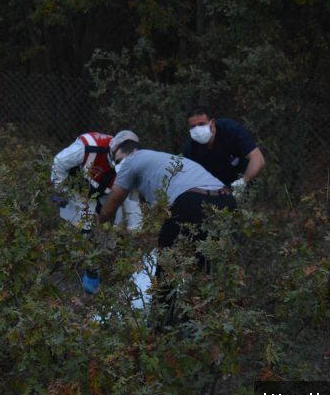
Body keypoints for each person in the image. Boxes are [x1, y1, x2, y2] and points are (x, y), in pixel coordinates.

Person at [99, 131, 237, 324]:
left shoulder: (131, 162)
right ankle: (200, 322)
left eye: (117, 160)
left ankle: (159, 325)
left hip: (193, 201)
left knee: (166, 266)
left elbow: (109, 209)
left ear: (120, 154)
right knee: (201, 263)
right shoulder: (159, 158)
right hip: (227, 201)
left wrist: (95, 227)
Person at [51, 131, 142, 293]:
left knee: (113, 228)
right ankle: (83, 269)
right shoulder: (88, 146)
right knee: (84, 229)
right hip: (76, 189)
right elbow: (59, 162)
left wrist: (135, 230)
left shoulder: (132, 168)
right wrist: (60, 190)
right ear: (114, 148)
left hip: (103, 193)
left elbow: (131, 200)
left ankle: (105, 258)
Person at [182, 106, 265, 198]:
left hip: (243, 179)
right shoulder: (190, 148)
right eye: (193, 126)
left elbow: (258, 159)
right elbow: (189, 179)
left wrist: (242, 182)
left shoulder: (231, 129)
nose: (197, 129)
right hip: (214, 189)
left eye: (201, 124)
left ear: (212, 123)